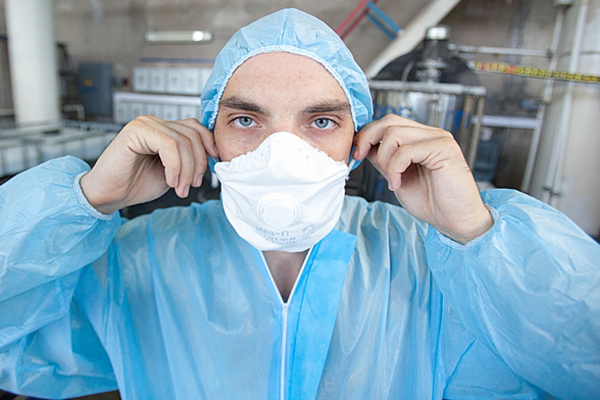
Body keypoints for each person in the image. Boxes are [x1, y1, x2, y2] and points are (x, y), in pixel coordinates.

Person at [0, 8, 599, 400]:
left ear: (358, 140)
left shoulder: (427, 265)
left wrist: (477, 236)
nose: (282, 151)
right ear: (209, 136)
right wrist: (83, 202)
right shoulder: (142, 263)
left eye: (319, 120)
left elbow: (578, 366)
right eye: (245, 118)